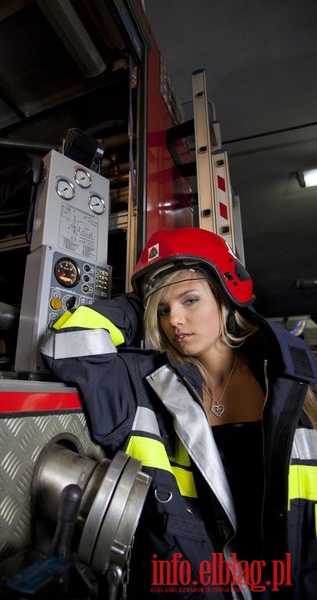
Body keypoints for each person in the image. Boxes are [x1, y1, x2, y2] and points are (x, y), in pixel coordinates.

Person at [40, 227, 317, 600]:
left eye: (190, 300)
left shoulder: (296, 376)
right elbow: (66, 341)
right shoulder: (145, 385)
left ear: (226, 295)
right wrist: (140, 303)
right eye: (165, 309)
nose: (175, 321)